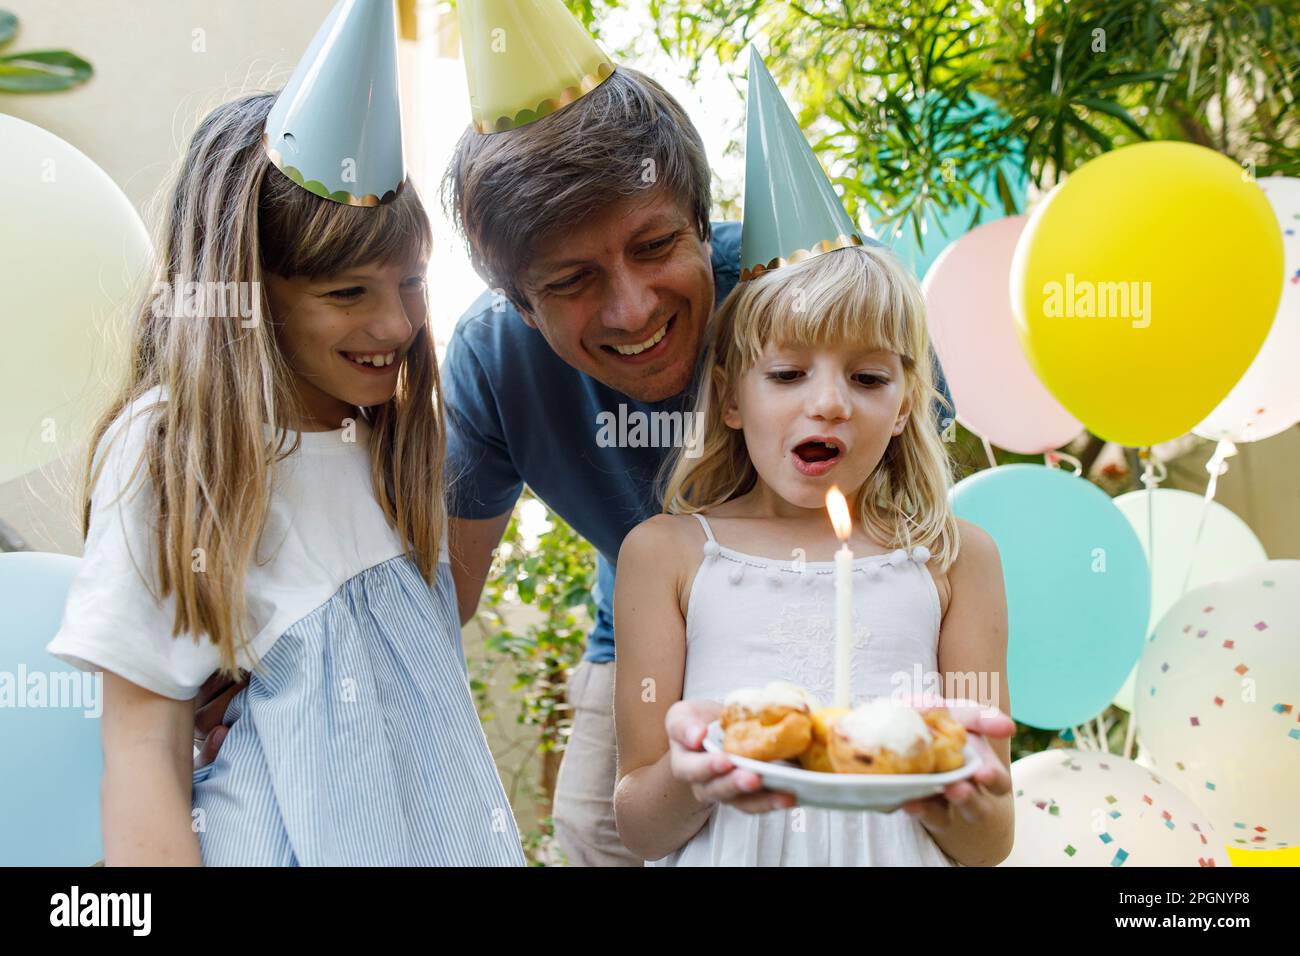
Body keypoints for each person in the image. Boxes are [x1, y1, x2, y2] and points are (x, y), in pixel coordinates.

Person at [438, 11, 960, 865]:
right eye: (569, 281)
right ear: (520, 304)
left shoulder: (805, 307)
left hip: (848, 621)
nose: (633, 309)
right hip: (643, 635)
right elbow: (440, 596)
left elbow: (924, 516)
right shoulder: (495, 362)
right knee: (600, 834)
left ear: (701, 221)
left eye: (656, 246)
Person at [46, 0, 523, 867]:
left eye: (412, 280)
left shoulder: (387, 436)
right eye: (348, 293)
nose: (397, 324)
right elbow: (142, 749)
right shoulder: (175, 452)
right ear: (250, 290)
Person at [611, 241, 1014, 866]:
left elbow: (991, 840)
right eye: (787, 373)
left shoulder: (956, 559)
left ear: (905, 404)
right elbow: (639, 826)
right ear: (732, 400)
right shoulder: (666, 554)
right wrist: (694, 775)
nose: (829, 402)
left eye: (869, 377)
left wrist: (951, 794)